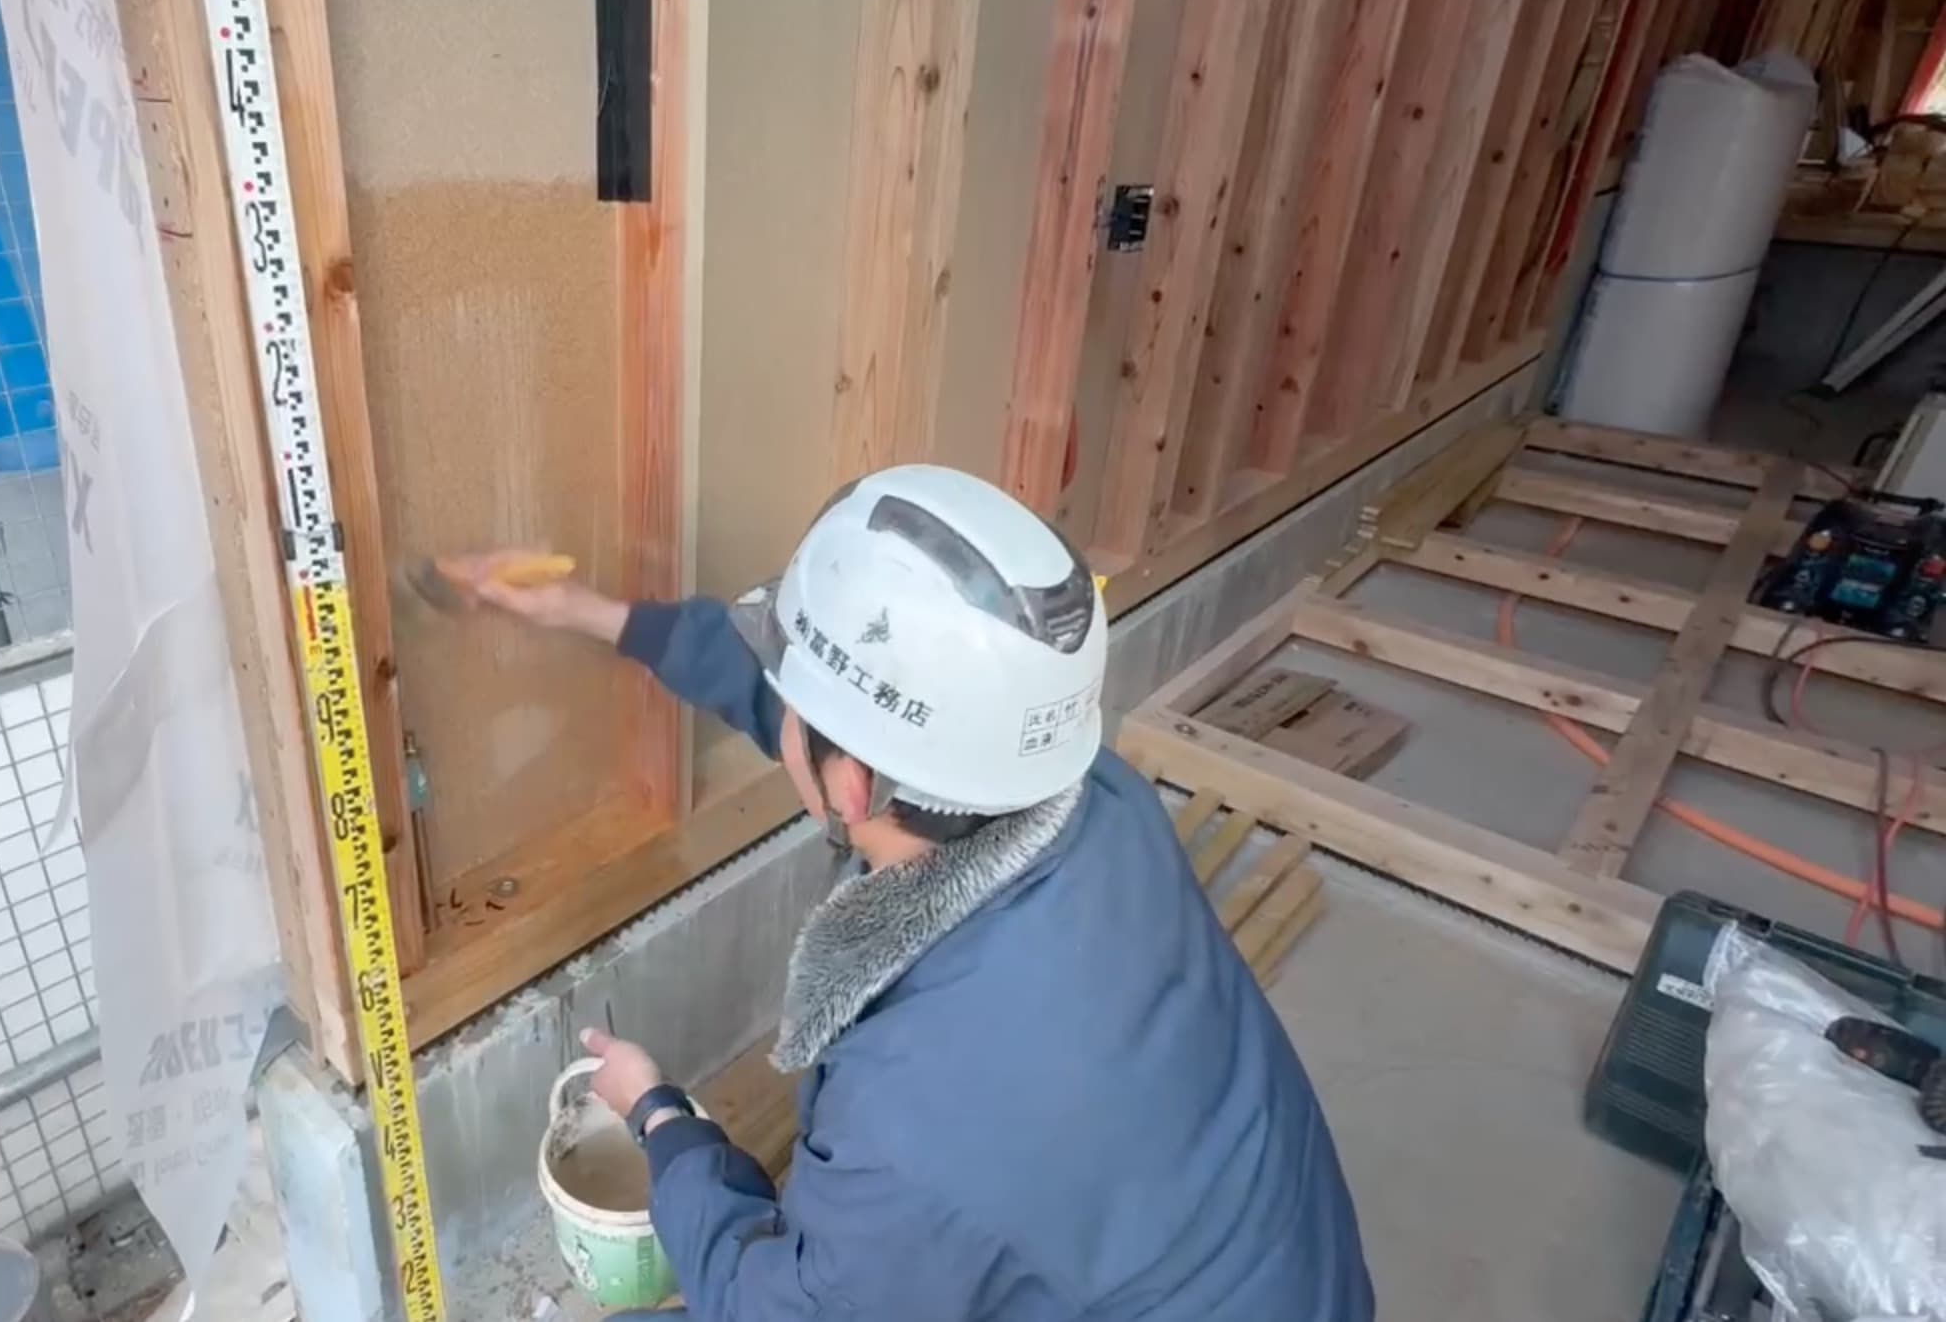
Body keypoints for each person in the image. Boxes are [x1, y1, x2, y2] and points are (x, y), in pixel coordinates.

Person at [452, 464, 1372, 1321]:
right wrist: (591, 614)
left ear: (851, 788)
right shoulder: (1090, 796)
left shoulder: (915, 1124)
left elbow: (777, 1308)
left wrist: (660, 1120)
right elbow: (823, 722)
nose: (782, 711)